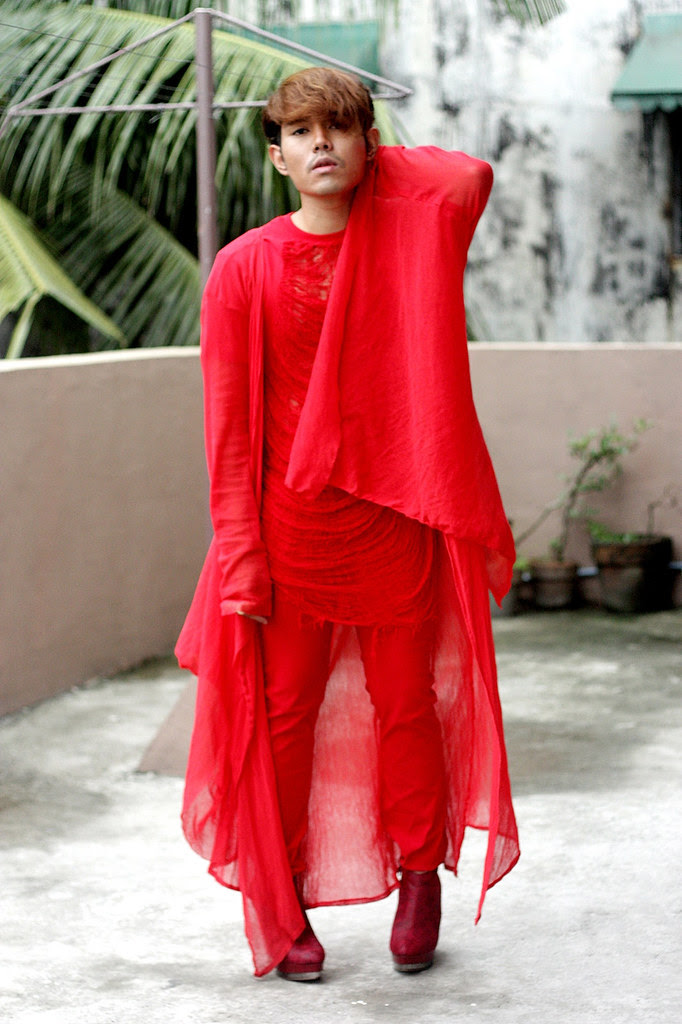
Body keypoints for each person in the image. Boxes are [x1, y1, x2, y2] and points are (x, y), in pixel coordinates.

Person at [176, 66, 519, 981]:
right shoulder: (244, 267)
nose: (320, 144)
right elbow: (229, 431)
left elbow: (468, 176)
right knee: (285, 718)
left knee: (406, 707)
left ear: (370, 143)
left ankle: (419, 876)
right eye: (301, 132)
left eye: (338, 128)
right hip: (288, 533)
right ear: (276, 157)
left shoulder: (408, 241)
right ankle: (281, 894)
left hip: (394, 519)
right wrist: (241, 555)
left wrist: (374, 156)